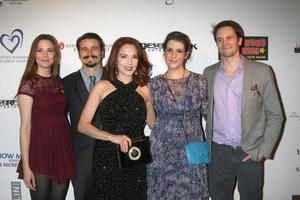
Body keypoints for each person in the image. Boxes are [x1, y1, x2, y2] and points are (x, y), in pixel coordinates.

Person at [203, 20, 285, 200]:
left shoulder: (262, 71)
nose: (225, 43)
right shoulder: (208, 73)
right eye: (220, 39)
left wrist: (263, 150)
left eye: (229, 37)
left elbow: (276, 115)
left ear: (240, 40)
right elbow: (205, 110)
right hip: (218, 153)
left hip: (249, 151)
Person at [78, 37, 156, 200]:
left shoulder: (144, 89)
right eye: (123, 56)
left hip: (135, 157)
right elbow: (83, 126)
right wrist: (111, 137)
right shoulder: (102, 86)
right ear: (115, 59)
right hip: (107, 157)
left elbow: (153, 124)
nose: (129, 62)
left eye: (134, 57)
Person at [147, 31, 209, 199]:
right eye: (169, 50)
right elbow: (152, 123)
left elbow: (209, 118)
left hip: (193, 150)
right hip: (162, 150)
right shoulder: (153, 84)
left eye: (179, 51)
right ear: (164, 53)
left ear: (186, 54)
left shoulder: (200, 82)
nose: (173, 55)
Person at [16, 34, 75, 200]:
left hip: (62, 149)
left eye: (50, 51)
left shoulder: (60, 82)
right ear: (34, 54)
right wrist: (27, 167)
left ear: (56, 55)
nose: (45, 55)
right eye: (40, 50)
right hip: (39, 152)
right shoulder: (29, 83)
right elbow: (25, 127)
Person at [62, 32, 105, 200]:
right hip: (80, 158)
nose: (89, 53)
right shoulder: (65, 83)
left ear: (102, 52)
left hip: (113, 155)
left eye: (94, 48)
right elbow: (57, 120)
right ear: (79, 53)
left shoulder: (117, 79)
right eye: (84, 49)